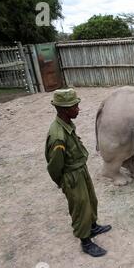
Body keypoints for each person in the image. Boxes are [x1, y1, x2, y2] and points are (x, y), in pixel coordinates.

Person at [45, 88, 111, 257]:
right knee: (80, 206)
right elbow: (54, 166)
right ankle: (85, 241)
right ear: (65, 110)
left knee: (90, 199)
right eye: (75, 106)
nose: (78, 109)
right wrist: (64, 182)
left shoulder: (66, 124)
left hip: (80, 169)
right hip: (71, 176)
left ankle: (93, 226)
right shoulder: (58, 135)